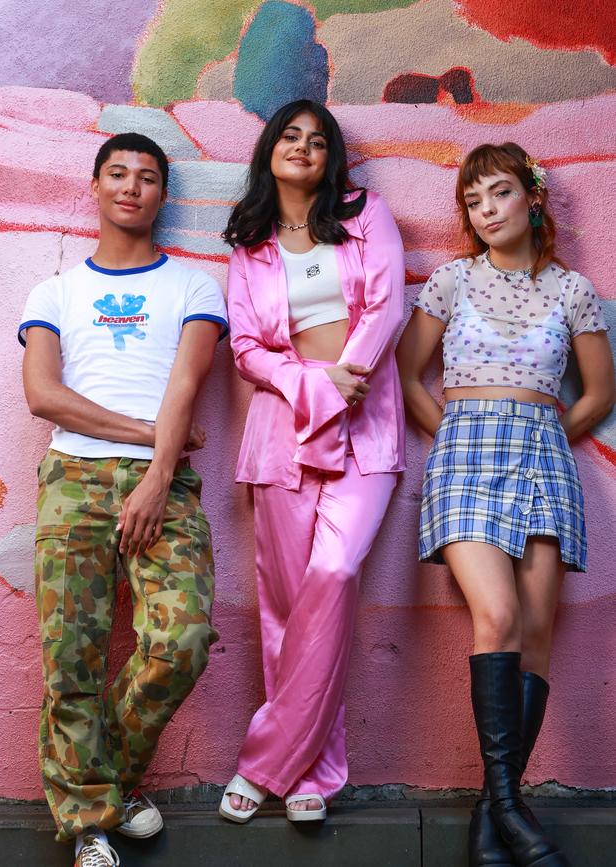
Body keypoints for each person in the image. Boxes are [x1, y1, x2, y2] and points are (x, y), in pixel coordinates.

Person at [396, 142, 614, 867]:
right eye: (472, 200)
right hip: (464, 456)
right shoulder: (452, 281)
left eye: (498, 194)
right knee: (497, 617)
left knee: (538, 629)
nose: (486, 211)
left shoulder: (573, 290)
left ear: (532, 197)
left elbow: (599, 392)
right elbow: (408, 372)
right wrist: (452, 434)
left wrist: (548, 433)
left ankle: (494, 821)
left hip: (544, 456)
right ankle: (516, 809)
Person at [19, 132, 228, 867]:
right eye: (118, 174)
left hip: (162, 482)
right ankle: (91, 824)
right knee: (70, 658)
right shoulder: (56, 291)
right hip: (72, 480)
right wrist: (147, 434)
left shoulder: (194, 287)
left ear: (163, 196)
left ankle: (96, 781)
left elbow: (185, 387)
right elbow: (45, 394)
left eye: (147, 177)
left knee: (182, 640)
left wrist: (155, 471)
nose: (132, 187)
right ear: (96, 186)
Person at [218, 99, 406, 823]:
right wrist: (312, 382)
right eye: (290, 136)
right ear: (270, 149)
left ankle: (265, 761)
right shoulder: (250, 239)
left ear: (333, 158)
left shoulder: (366, 213)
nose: (303, 146)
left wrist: (343, 382)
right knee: (286, 608)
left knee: (333, 575)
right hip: (279, 441)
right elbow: (245, 349)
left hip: (366, 432)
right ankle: (311, 774)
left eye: (317, 140)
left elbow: (386, 311)